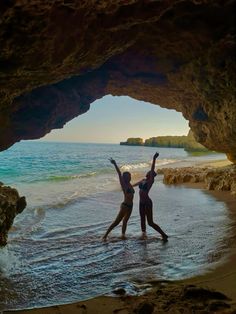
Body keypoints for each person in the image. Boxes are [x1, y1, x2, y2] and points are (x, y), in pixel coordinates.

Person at [133, 152, 168, 241]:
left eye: (151, 172)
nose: (149, 171)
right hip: (141, 202)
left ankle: (163, 234)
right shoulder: (143, 180)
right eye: (150, 171)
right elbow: (133, 185)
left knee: (150, 222)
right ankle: (143, 234)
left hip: (147, 202)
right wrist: (125, 186)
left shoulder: (150, 181)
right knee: (142, 219)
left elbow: (152, 168)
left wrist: (154, 159)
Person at [102, 158, 134, 241]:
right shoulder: (124, 185)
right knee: (116, 222)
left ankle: (123, 235)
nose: (130, 177)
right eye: (128, 176)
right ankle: (105, 235)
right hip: (125, 206)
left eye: (130, 176)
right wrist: (115, 164)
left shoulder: (130, 184)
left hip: (130, 206)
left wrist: (141, 181)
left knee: (125, 222)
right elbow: (119, 174)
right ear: (125, 178)